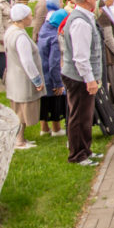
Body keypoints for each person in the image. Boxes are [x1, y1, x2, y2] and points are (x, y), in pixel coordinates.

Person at [61, 0, 103, 166]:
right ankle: (77, 155)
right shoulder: (80, 22)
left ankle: (85, 150)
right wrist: (90, 79)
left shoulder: (85, 17)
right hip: (79, 77)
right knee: (78, 117)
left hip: (82, 76)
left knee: (85, 116)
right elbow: (80, 56)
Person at [4, 3, 45, 149]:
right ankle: (19, 140)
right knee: (22, 110)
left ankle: (20, 138)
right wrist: (37, 80)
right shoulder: (20, 36)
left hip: (13, 76)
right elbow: (27, 60)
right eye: (29, 16)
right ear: (22, 19)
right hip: (22, 78)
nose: (31, 18)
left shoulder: (10, 31)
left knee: (17, 108)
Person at [38, 8, 68, 137]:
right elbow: (54, 62)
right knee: (56, 100)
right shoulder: (54, 37)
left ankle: (44, 128)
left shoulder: (43, 31)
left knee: (44, 102)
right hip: (51, 75)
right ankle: (56, 128)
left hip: (42, 71)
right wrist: (58, 82)